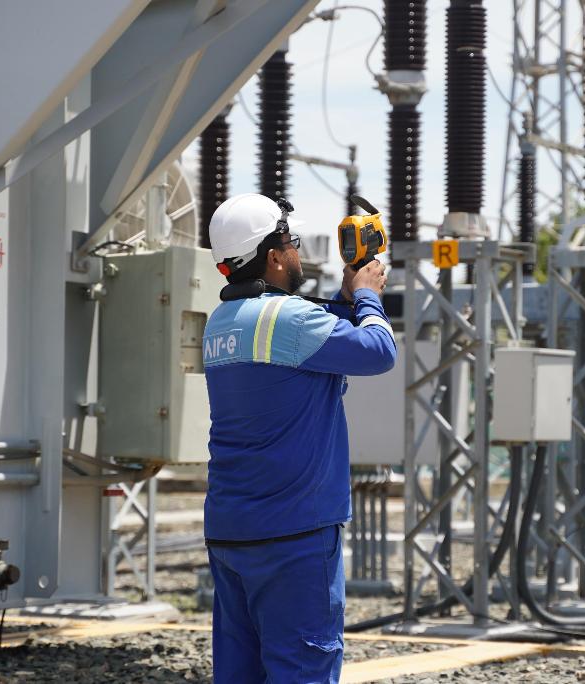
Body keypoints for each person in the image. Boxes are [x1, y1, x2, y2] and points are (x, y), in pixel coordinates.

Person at [201, 193, 395, 683]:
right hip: (294, 537)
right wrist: (369, 294)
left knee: (240, 673)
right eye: (290, 240)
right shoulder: (286, 320)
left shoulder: (221, 323)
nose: (297, 251)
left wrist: (345, 301)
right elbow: (378, 351)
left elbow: (302, 335)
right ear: (272, 255)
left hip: (231, 531)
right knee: (302, 670)